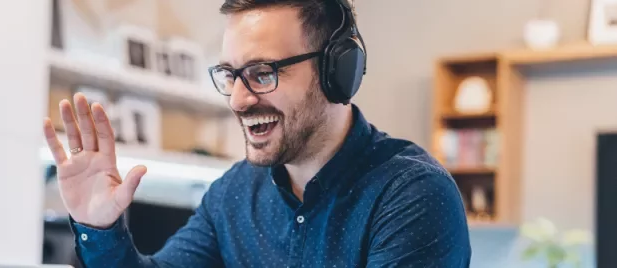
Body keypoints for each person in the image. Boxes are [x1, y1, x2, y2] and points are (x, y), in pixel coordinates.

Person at [41, 0, 472, 267]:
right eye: (230, 75)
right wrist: (99, 227)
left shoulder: (412, 195)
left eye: (263, 73)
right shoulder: (232, 196)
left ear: (336, 71)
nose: (238, 99)